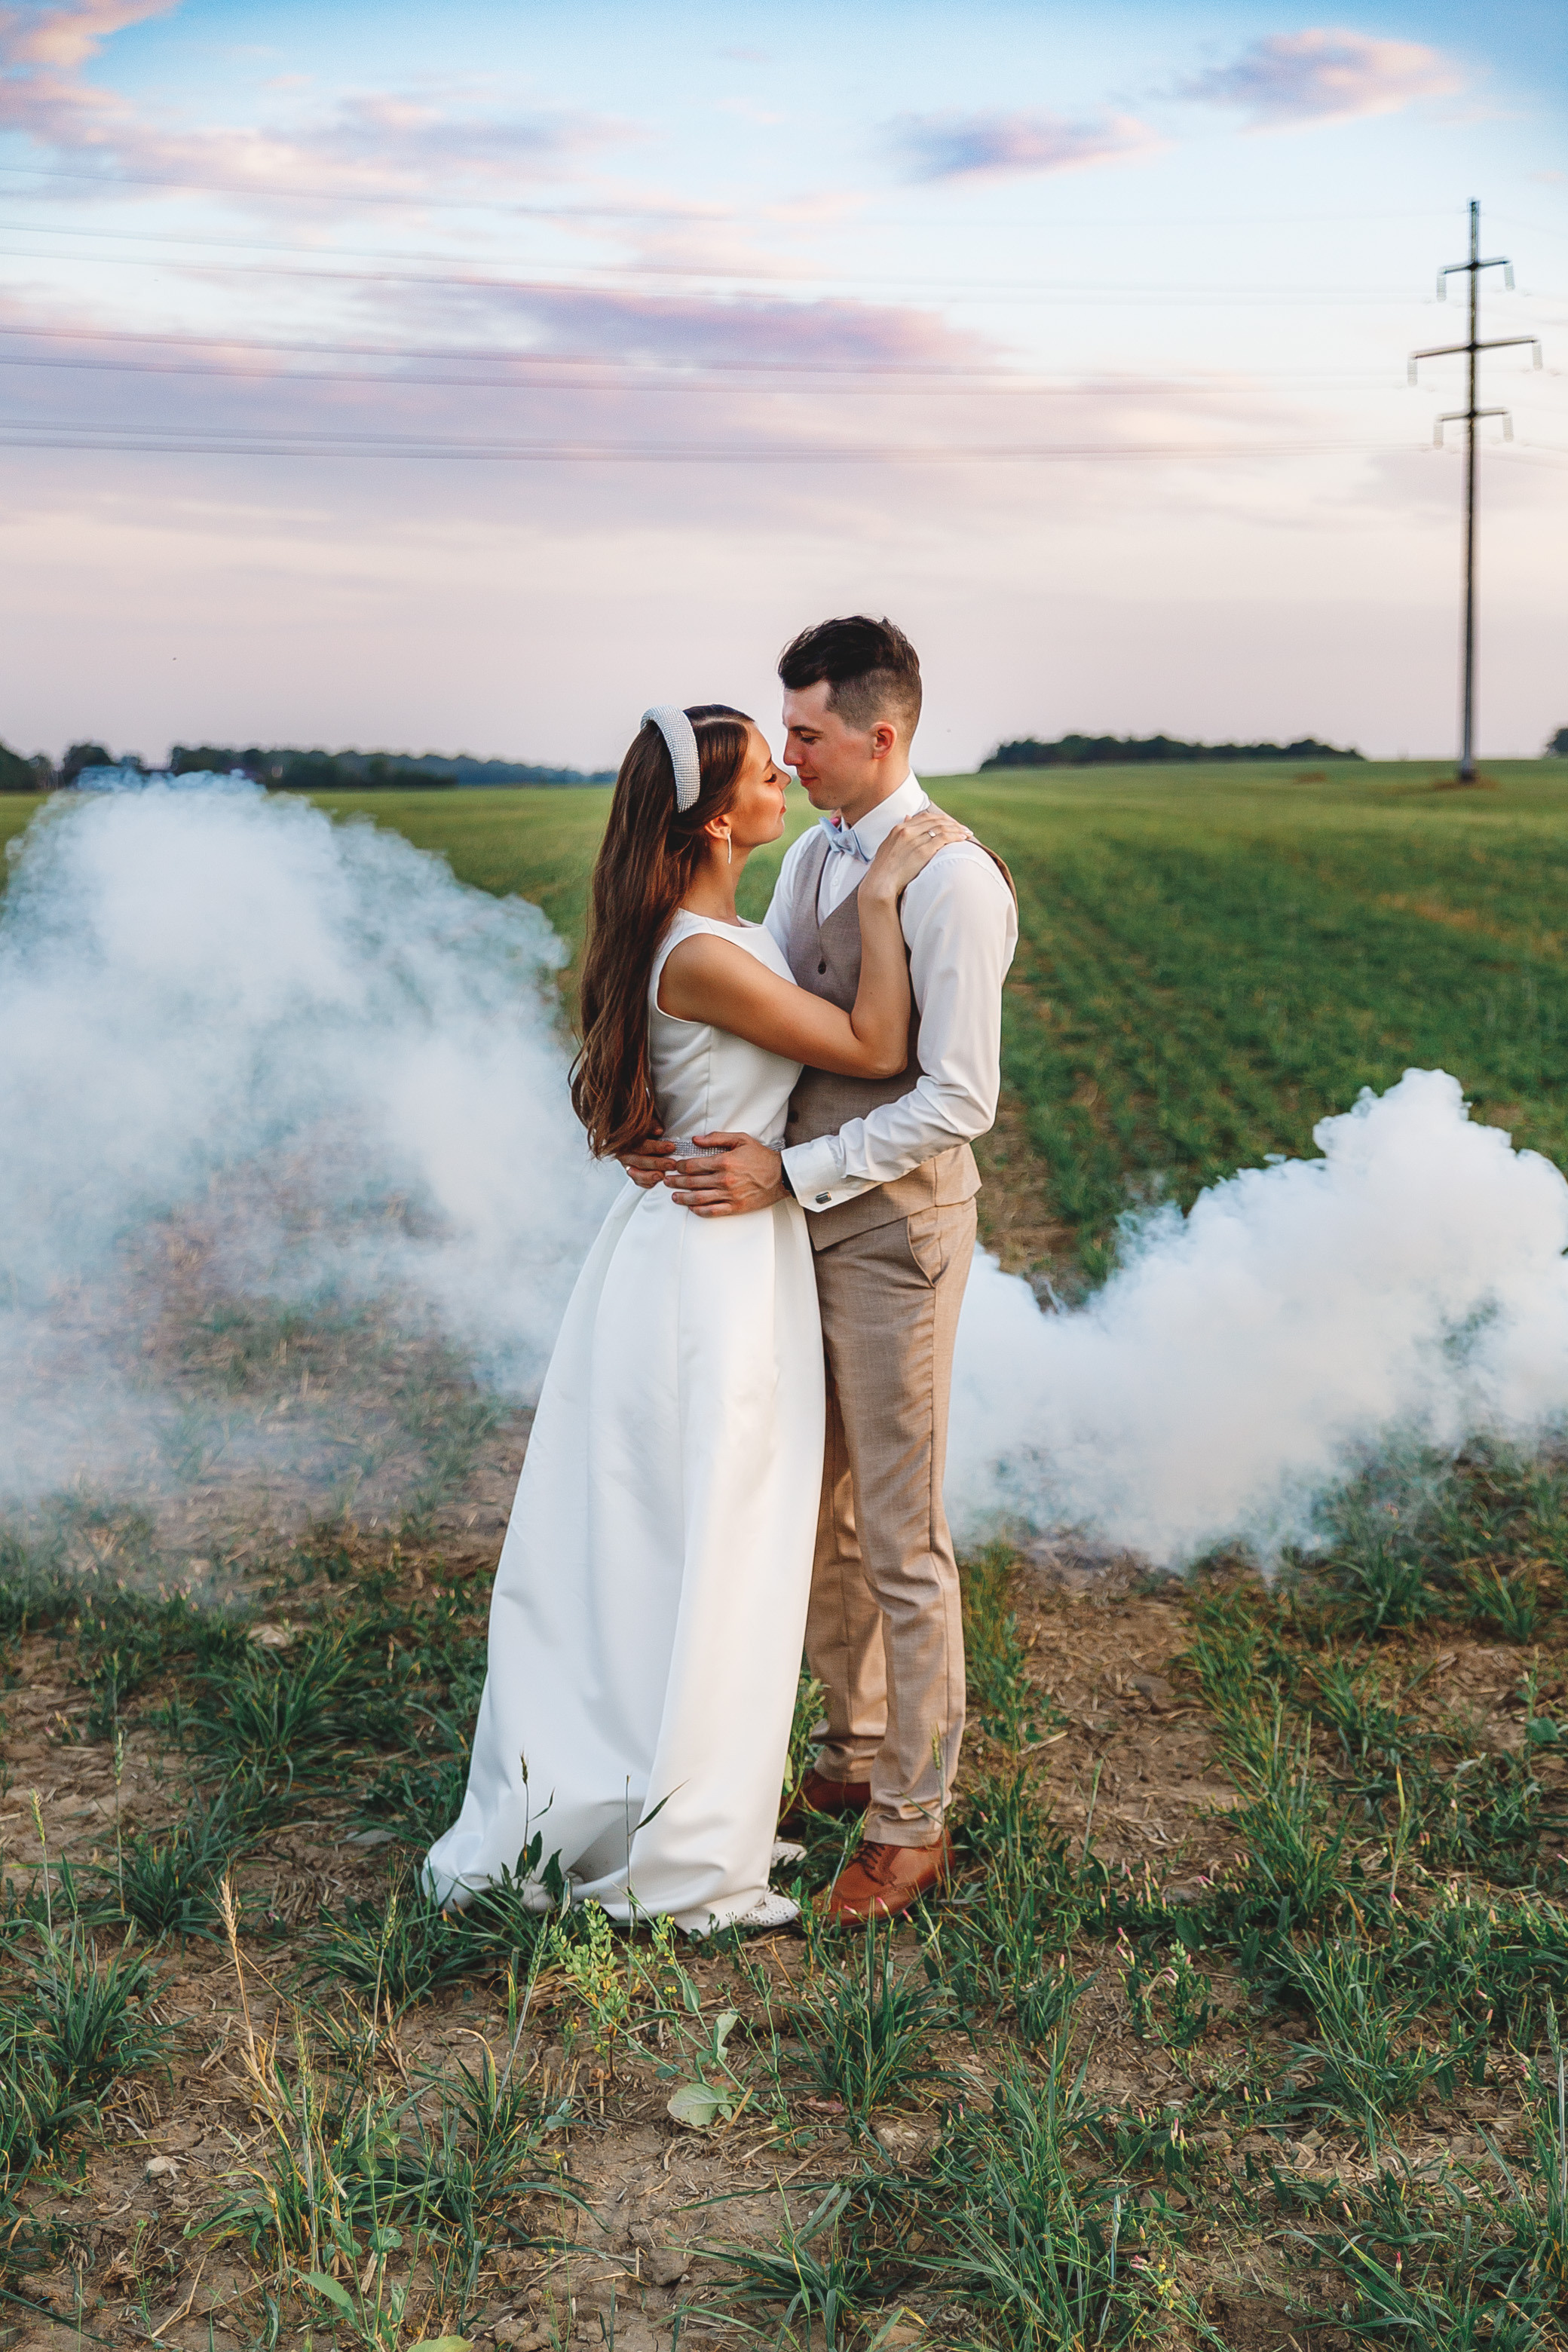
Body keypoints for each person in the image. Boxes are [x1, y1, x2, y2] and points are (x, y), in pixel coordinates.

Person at [424, 702, 967, 1935]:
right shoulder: (705, 952)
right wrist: (885, 896)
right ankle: (675, 1820)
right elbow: (879, 1043)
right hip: (711, 1270)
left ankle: (683, 1785)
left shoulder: (717, 929)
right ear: (724, 820)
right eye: (772, 772)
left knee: (707, 1534)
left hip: (722, 1245)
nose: (790, 780)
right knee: (715, 1538)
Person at [624, 619, 1018, 1923]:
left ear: (880, 736)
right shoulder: (807, 856)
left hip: (892, 1234)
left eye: (805, 734)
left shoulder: (955, 883)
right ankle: (850, 1761)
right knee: (823, 1513)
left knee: (904, 1536)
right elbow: (780, 1021)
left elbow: (959, 1099)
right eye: (780, 737)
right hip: (790, 1229)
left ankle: (915, 1823)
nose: (785, 755)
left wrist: (789, 1176)